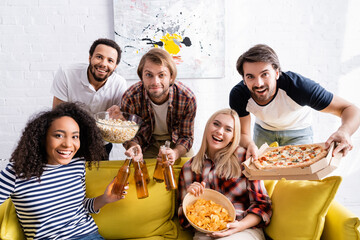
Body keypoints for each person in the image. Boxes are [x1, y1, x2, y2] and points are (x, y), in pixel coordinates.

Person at [0, 102, 128, 239]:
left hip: (89, 236)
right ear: (42, 138)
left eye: (75, 136)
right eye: (59, 135)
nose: (68, 144)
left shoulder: (77, 164)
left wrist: (105, 199)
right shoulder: (16, 172)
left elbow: (79, 207)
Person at [229, 44, 360, 160]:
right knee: (262, 179)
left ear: (276, 73)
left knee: (298, 179)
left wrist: (345, 131)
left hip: (299, 131)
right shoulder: (238, 95)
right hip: (264, 131)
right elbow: (244, 133)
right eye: (250, 76)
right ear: (244, 80)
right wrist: (250, 144)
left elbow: (349, 108)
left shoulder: (299, 87)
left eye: (265, 74)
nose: (258, 83)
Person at [178, 108, 271, 240]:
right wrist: (189, 199)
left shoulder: (245, 158)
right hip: (205, 234)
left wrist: (240, 225)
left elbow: (263, 205)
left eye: (228, 129)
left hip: (243, 229)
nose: (219, 131)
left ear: (234, 136)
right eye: (216, 124)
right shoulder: (188, 168)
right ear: (207, 126)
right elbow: (184, 221)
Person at [108, 48, 197, 163]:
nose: (155, 82)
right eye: (149, 75)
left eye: (161, 75)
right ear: (141, 77)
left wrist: (175, 153)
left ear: (171, 77)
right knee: (140, 173)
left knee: (188, 172)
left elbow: (186, 137)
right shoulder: (130, 97)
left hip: (176, 143)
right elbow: (130, 134)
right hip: (146, 143)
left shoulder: (187, 98)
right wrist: (133, 146)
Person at [51, 38, 127, 158]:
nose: (103, 64)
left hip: (101, 143)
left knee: (98, 176)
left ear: (115, 66)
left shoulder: (119, 84)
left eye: (110, 60)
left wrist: (118, 115)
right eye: (99, 57)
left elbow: (120, 120)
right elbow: (57, 115)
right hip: (69, 142)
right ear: (90, 58)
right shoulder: (66, 74)